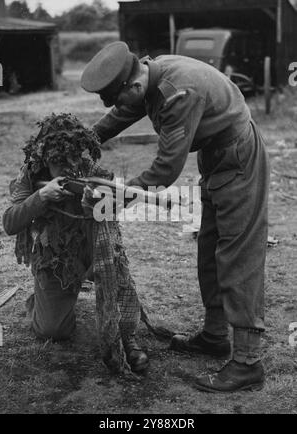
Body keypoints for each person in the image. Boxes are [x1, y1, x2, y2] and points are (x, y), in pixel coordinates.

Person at [80, 41, 270, 392]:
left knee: (238, 257)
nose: (122, 107)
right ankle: (215, 336)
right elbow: (123, 113)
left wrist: (116, 196)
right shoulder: (149, 76)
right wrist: (84, 138)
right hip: (216, 158)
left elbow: (164, 170)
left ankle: (248, 362)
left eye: (121, 97)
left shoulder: (178, 92)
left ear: (134, 86)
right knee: (211, 251)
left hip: (238, 158)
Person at [2, 113, 149, 375]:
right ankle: (40, 300)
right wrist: (41, 196)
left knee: (114, 260)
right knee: (52, 331)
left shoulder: (94, 171)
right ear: (44, 158)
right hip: (57, 257)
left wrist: (99, 205)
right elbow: (10, 223)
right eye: (58, 162)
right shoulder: (31, 173)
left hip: (94, 250)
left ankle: (127, 336)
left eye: (73, 159)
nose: (69, 167)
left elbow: (112, 220)